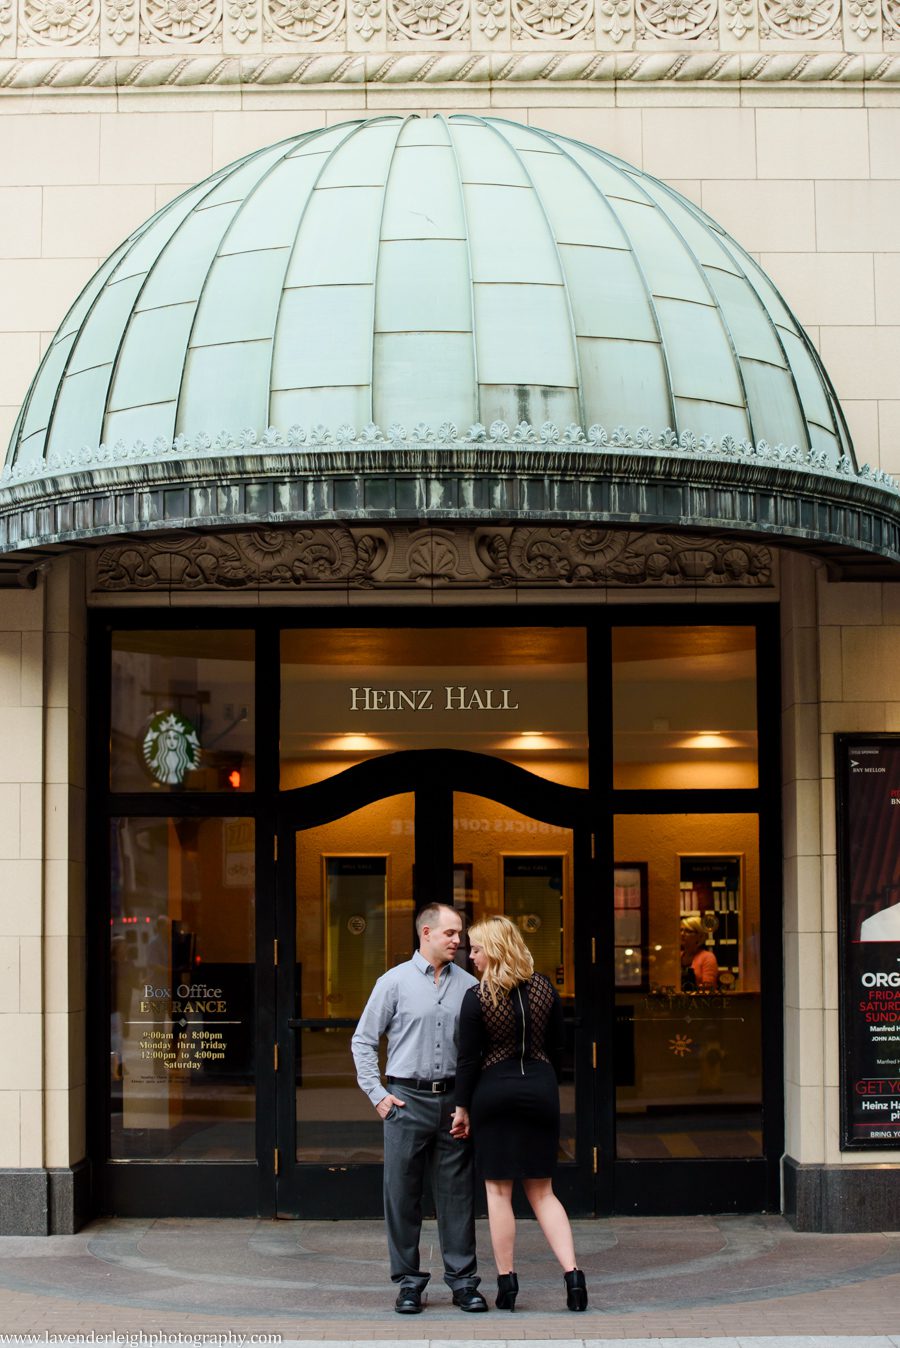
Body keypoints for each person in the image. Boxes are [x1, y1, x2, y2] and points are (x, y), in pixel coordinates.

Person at [351, 902, 488, 1316]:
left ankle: (464, 1284)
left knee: (458, 1197)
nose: (458, 941)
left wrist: (467, 1102)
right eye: (450, 933)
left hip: (453, 1105)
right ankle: (409, 1284)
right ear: (425, 933)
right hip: (405, 1102)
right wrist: (378, 1095)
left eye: (460, 934)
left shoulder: (468, 985)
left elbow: (475, 1052)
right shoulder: (392, 983)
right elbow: (362, 1040)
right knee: (401, 1196)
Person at [450, 915, 588, 1313]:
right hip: (541, 1089)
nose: (470, 956)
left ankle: (507, 1284)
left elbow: (468, 1060)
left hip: (494, 1092)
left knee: (498, 1191)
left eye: (475, 949)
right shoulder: (544, 987)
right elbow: (559, 1045)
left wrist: (462, 1109)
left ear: (493, 949)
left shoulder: (477, 997)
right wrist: (546, 1082)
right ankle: (574, 1277)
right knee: (543, 1192)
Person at [680, 916, 719, 991]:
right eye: (681, 930)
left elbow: (708, 987)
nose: (682, 934)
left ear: (700, 936)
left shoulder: (707, 957)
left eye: (688, 931)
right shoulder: (676, 957)